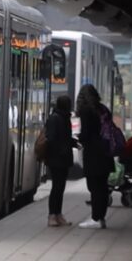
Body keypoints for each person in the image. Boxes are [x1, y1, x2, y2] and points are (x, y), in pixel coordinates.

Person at [76, 84, 114, 229]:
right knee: (103, 187)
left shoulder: (86, 111)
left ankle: (96, 218)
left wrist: (79, 139)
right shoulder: (103, 109)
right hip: (105, 152)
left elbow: (86, 134)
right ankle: (101, 217)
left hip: (93, 154)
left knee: (94, 187)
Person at [44, 95, 78, 227]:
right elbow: (51, 139)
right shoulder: (56, 118)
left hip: (63, 158)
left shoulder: (64, 117)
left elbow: (65, 137)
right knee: (57, 188)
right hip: (56, 159)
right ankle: (52, 215)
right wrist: (63, 147)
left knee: (60, 187)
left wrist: (73, 143)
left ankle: (58, 214)